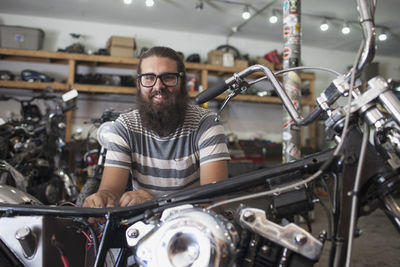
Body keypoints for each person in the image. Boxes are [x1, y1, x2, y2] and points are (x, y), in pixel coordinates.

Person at [83, 46, 231, 208]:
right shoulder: (124, 127)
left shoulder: (206, 125)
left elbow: (215, 202)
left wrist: (158, 204)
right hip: (143, 225)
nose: (158, 86)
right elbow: (110, 190)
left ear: (182, 82)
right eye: (148, 77)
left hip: (193, 225)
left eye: (168, 77)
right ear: (139, 83)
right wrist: (102, 198)